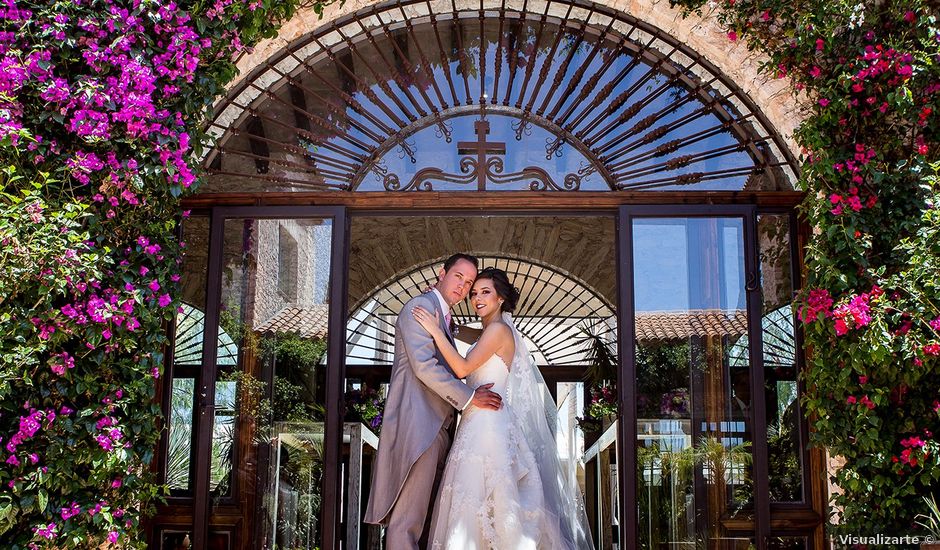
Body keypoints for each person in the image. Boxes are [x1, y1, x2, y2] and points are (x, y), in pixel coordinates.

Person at [412, 267, 594, 549]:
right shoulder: (488, 332)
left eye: (486, 292)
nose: (477, 298)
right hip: (479, 422)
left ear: (500, 299)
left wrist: (434, 329)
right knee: (479, 502)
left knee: (485, 499)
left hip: (488, 427)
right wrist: (444, 316)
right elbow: (462, 333)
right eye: (473, 293)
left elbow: (461, 368)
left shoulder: (497, 330)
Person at [363, 253, 503, 550]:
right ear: (442, 273)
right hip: (421, 428)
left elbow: (481, 337)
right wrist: (469, 398)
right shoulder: (419, 308)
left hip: (439, 431)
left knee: (427, 525)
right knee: (407, 523)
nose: (463, 287)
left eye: (469, 283)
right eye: (458, 277)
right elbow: (424, 366)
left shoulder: (442, 317)